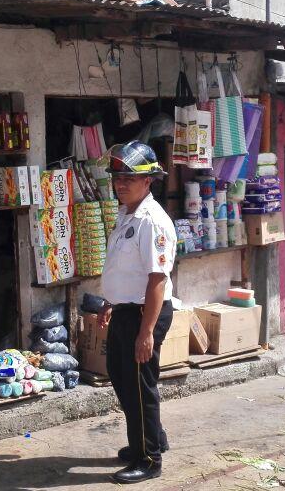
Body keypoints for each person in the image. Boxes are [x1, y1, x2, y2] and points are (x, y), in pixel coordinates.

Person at [97, 141, 177, 484]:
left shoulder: (153, 222)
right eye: (117, 177)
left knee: (140, 386)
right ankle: (149, 439)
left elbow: (157, 280)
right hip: (126, 311)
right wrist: (111, 300)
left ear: (148, 181)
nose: (120, 183)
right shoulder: (127, 213)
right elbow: (124, 269)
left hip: (146, 313)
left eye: (129, 177)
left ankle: (149, 459)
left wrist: (146, 332)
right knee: (122, 376)